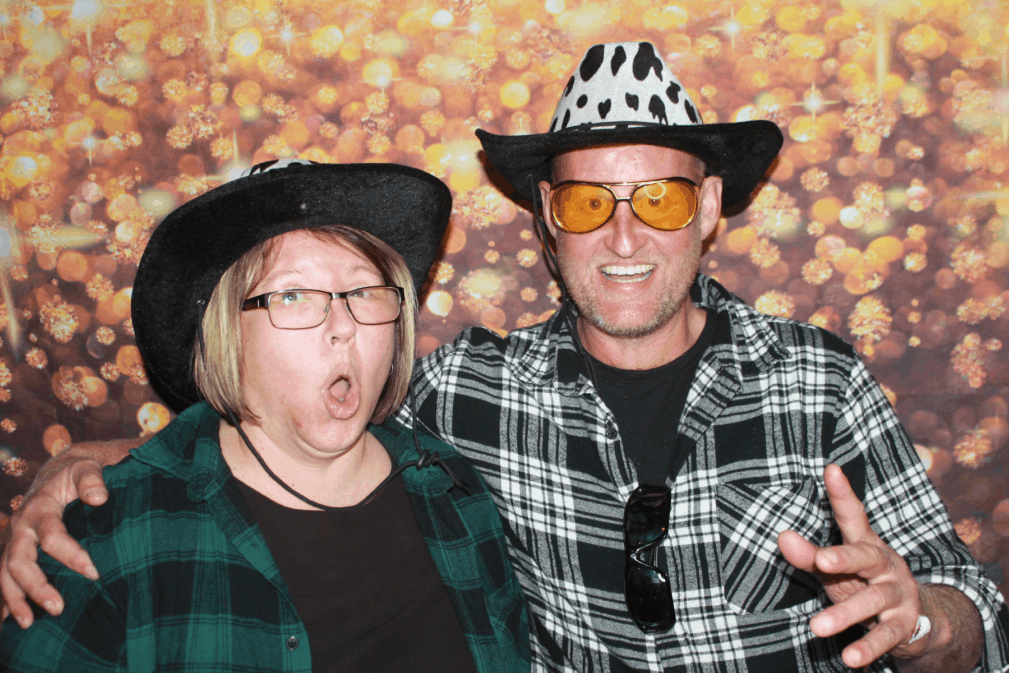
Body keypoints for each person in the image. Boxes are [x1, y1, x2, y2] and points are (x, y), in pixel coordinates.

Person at [3, 41, 1008, 673]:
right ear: (545, 218)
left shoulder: (818, 381)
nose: (623, 237)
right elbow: (290, 423)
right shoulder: (468, 394)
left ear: (708, 207)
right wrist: (92, 466)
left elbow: (981, 620)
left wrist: (921, 622)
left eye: (659, 197)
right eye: (587, 201)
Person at [0, 161, 529, 672]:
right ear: (226, 331)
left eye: (365, 291)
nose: (343, 326)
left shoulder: (455, 493)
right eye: (293, 295)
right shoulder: (112, 535)